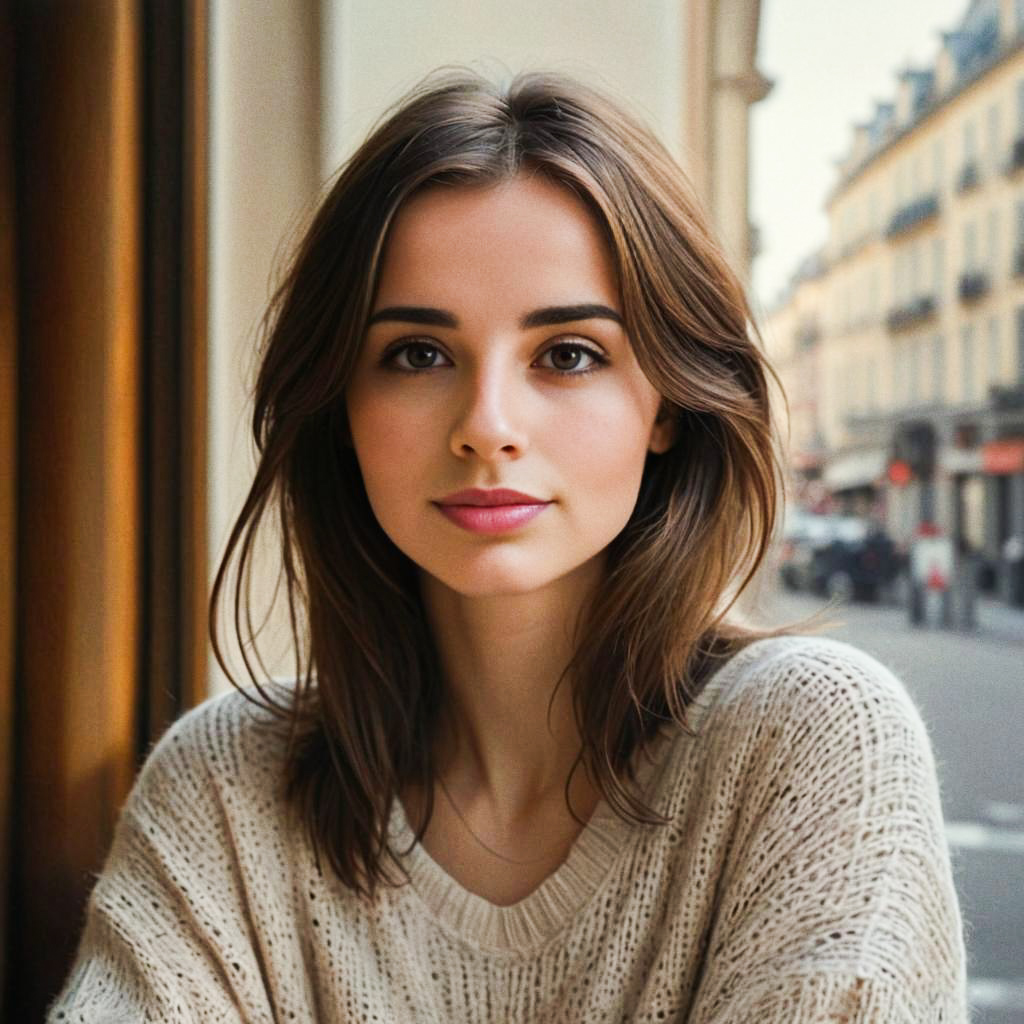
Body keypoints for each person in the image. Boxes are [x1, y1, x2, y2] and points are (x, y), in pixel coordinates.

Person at [49, 69, 967, 1022]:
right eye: (417, 354)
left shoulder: (815, 741)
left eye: (567, 354)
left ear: (666, 404)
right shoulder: (223, 788)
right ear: (343, 405)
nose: (487, 426)